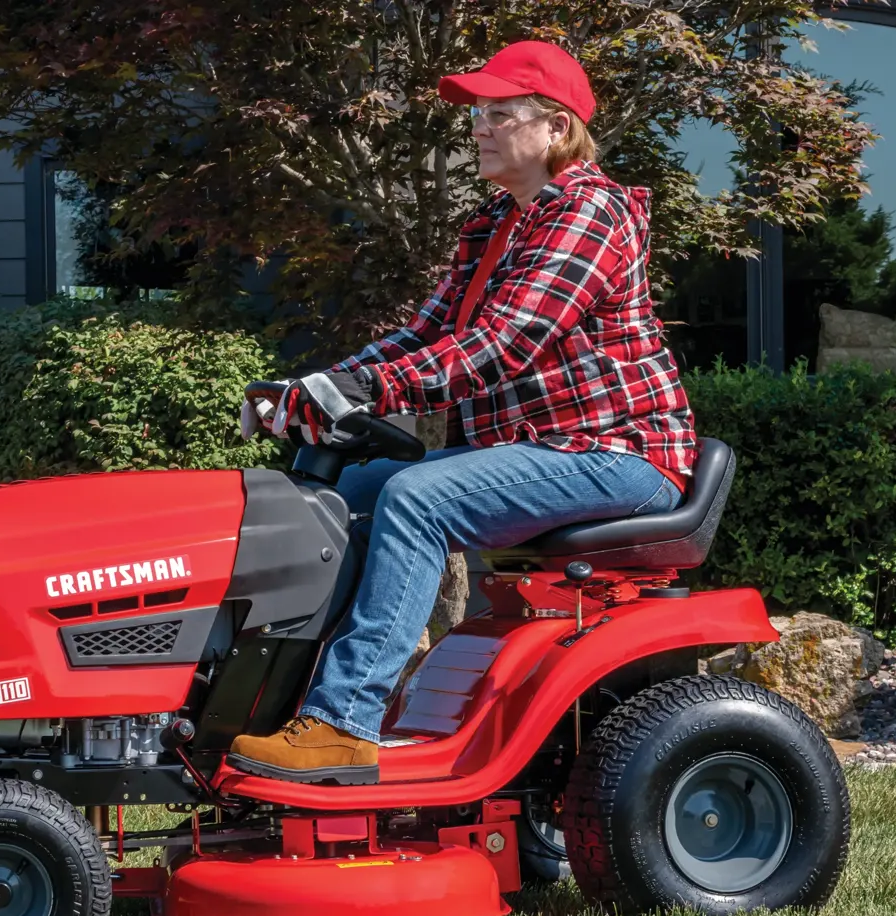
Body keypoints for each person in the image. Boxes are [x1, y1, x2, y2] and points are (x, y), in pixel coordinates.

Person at [227, 40, 698, 785]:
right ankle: (274, 702)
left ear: (554, 128)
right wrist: (318, 384)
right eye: (477, 114)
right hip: (543, 452)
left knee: (417, 497)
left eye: (499, 113)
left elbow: (500, 346)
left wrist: (364, 392)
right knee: (348, 494)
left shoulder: (590, 213)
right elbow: (428, 336)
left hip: (616, 454)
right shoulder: (494, 227)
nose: (478, 127)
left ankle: (344, 726)